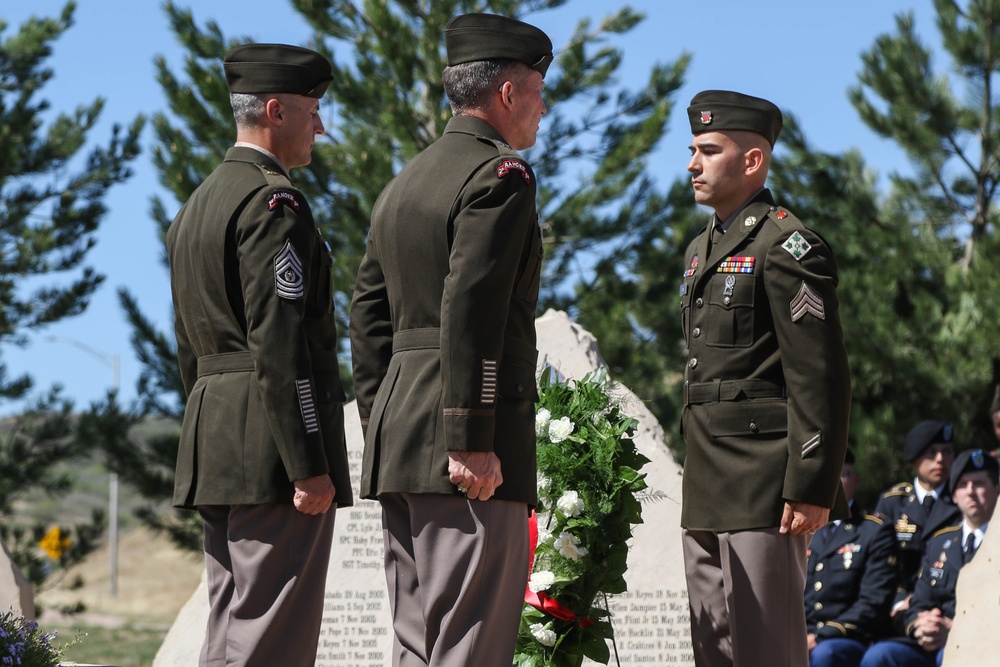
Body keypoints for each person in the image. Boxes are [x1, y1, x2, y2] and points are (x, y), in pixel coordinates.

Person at [349, 13, 551, 667]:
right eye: (540, 93)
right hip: (465, 454)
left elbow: (367, 315)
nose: (543, 110)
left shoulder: (402, 185)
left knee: (417, 643)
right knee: (469, 641)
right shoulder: (499, 177)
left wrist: (380, 420)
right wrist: (471, 434)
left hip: (402, 442)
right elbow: (473, 307)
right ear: (509, 93)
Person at [166, 43, 353, 667]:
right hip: (272, 446)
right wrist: (306, 460)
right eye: (314, 110)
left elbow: (189, 345)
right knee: (272, 633)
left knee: (230, 628)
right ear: (275, 110)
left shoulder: (198, 205)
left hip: (217, 436)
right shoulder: (273, 203)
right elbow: (280, 341)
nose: (321, 126)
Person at [678, 89, 852, 667]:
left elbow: (819, 374)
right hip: (705, 480)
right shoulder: (700, 252)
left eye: (708, 149)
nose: (692, 163)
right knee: (715, 651)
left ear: (753, 161)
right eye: (692, 148)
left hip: (763, 484)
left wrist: (811, 482)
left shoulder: (787, 245)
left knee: (766, 651)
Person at [860, 448, 999, 667]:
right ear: (954, 495)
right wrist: (920, 624)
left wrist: (956, 629)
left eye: (979, 483)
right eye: (963, 485)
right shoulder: (939, 543)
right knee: (879, 657)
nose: (971, 492)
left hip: (981, 644)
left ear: (997, 490)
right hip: (933, 642)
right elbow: (921, 599)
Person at [805, 450, 898, 667]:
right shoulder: (803, 531)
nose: (835, 483)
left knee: (825, 654)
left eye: (843, 475)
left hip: (848, 638)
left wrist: (821, 635)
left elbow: (873, 602)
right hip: (803, 634)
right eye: (828, 475)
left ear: (855, 480)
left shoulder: (874, 530)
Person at [874, 420, 960, 622]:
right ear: (913, 459)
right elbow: (879, 565)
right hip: (897, 610)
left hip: (947, 608)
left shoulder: (962, 501)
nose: (940, 459)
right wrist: (899, 600)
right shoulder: (893, 503)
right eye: (931, 452)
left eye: (947, 452)